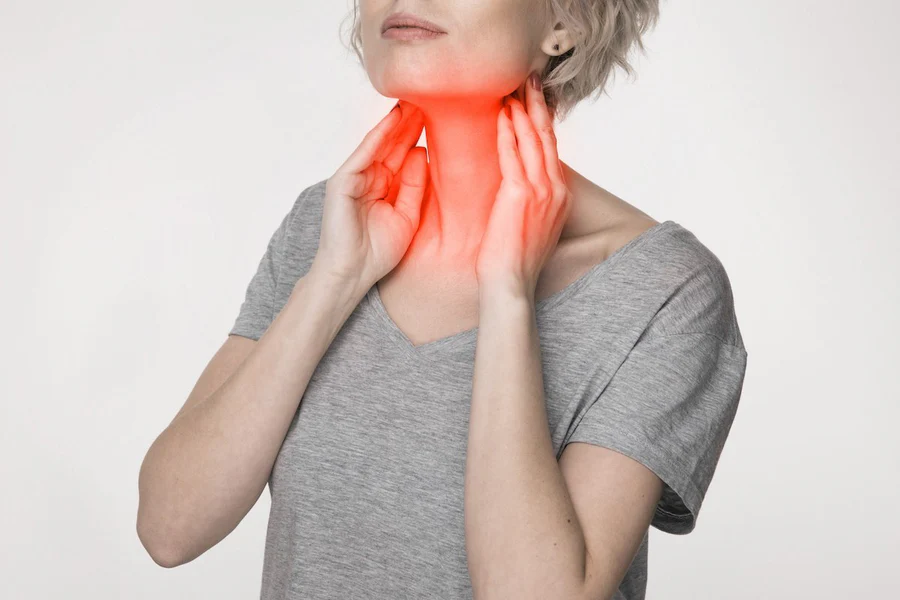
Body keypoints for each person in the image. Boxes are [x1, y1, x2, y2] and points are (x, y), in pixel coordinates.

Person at [137, 1, 748, 599]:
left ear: (565, 21)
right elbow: (169, 528)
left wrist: (508, 292)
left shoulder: (664, 289)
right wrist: (335, 281)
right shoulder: (327, 228)